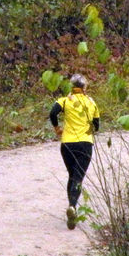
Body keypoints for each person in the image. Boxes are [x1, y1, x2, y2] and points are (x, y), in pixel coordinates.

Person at [49, 74, 100, 230]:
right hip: (85, 144)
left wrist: (57, 128)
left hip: (67, 144)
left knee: (72, 176)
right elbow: (97, 125)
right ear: (85, 87)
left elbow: (52, 113)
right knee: (78, 177)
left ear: (72, 86)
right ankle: (72, 206)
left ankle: (73, 208)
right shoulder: (91, 102)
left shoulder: (65, 101)